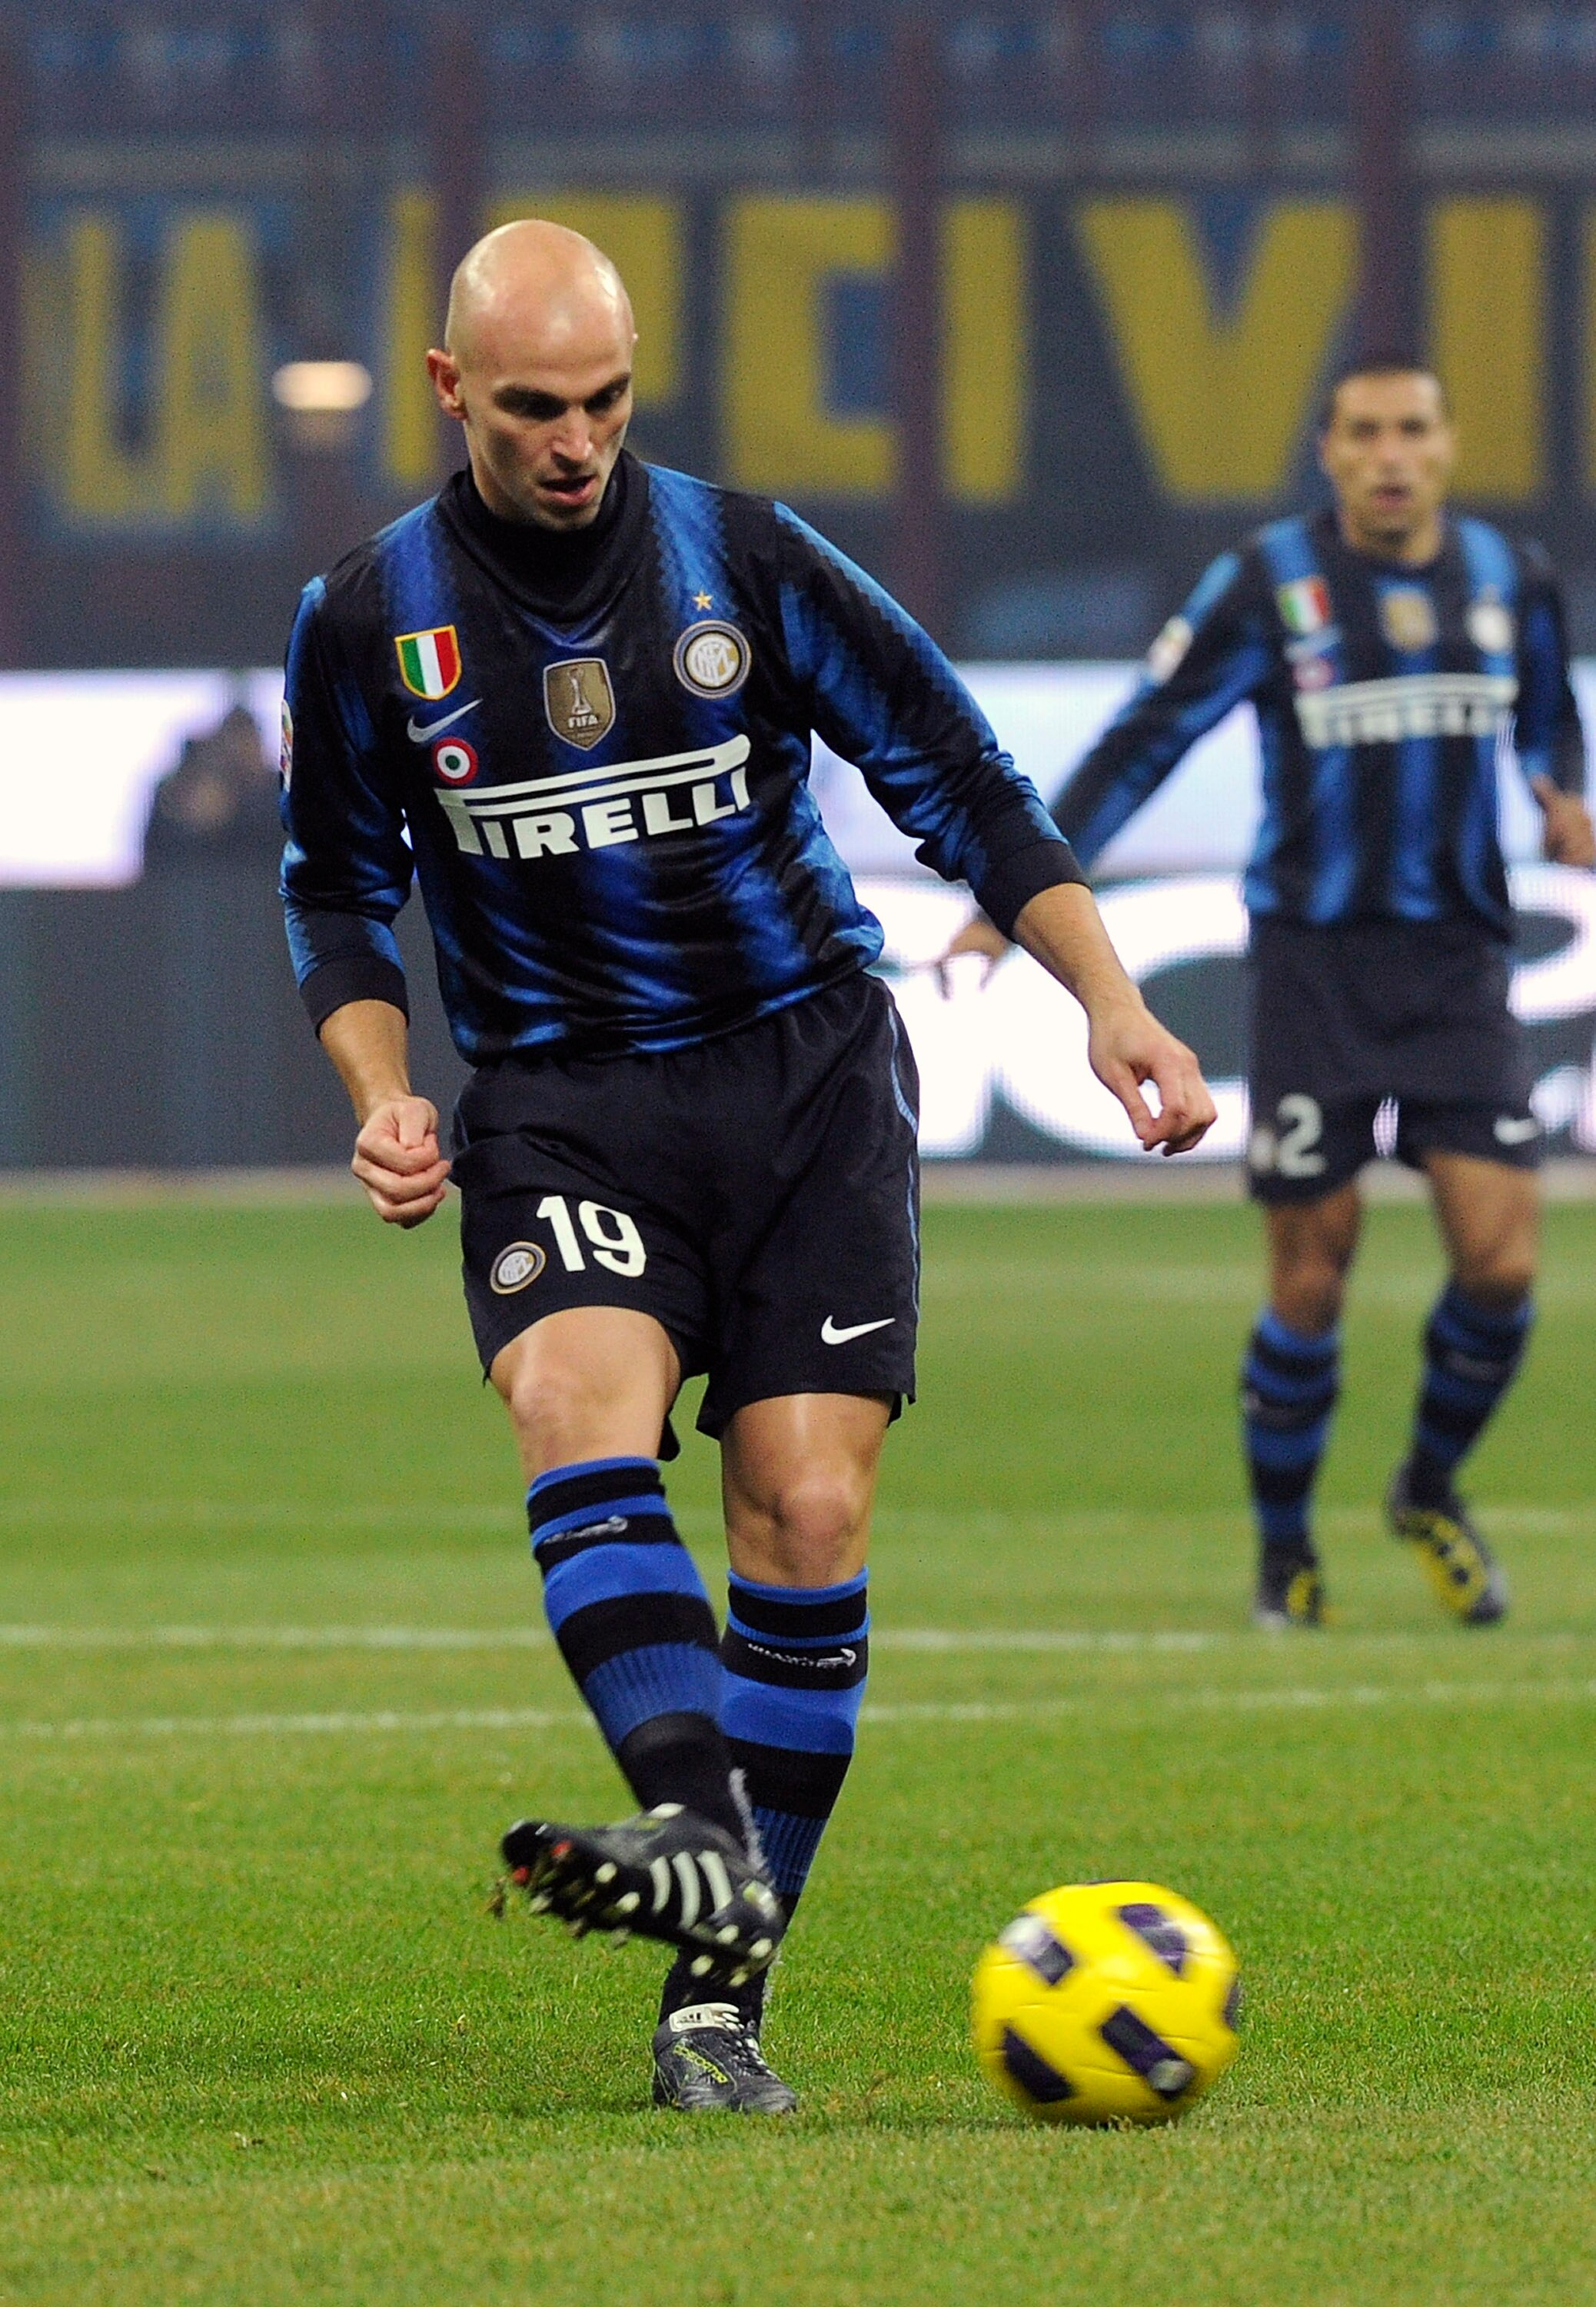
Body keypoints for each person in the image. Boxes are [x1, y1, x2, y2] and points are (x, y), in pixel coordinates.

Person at [279, 220, 1216, 2114]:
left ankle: (713, 2003)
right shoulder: (371, 616)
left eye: (607, 400)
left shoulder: (751, 558)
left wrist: (1111, 1000)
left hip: (801, 1076)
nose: (575, 441)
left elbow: (958, 774)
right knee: (573, 1404)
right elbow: (336, 889)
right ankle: (703, 1849)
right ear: (453, 390)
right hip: (559, 1099)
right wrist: (383, 1088)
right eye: (534, 407)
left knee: (804, 1518)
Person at [940, 355, 1594, 1633]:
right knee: (1311, 1279)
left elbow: (1549, 720)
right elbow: (1146, 739)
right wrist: (1007, 900)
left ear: (1448, 445)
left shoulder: (1512, 580)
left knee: (1505, 1267)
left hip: (1463, 964)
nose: (1392, 454)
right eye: (1365, 432)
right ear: (1333, 452)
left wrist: (1559, 792)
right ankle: (1284, 1550)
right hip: (1313, 968)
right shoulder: (1269, 586)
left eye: (1413, 429)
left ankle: (1428, 1486)